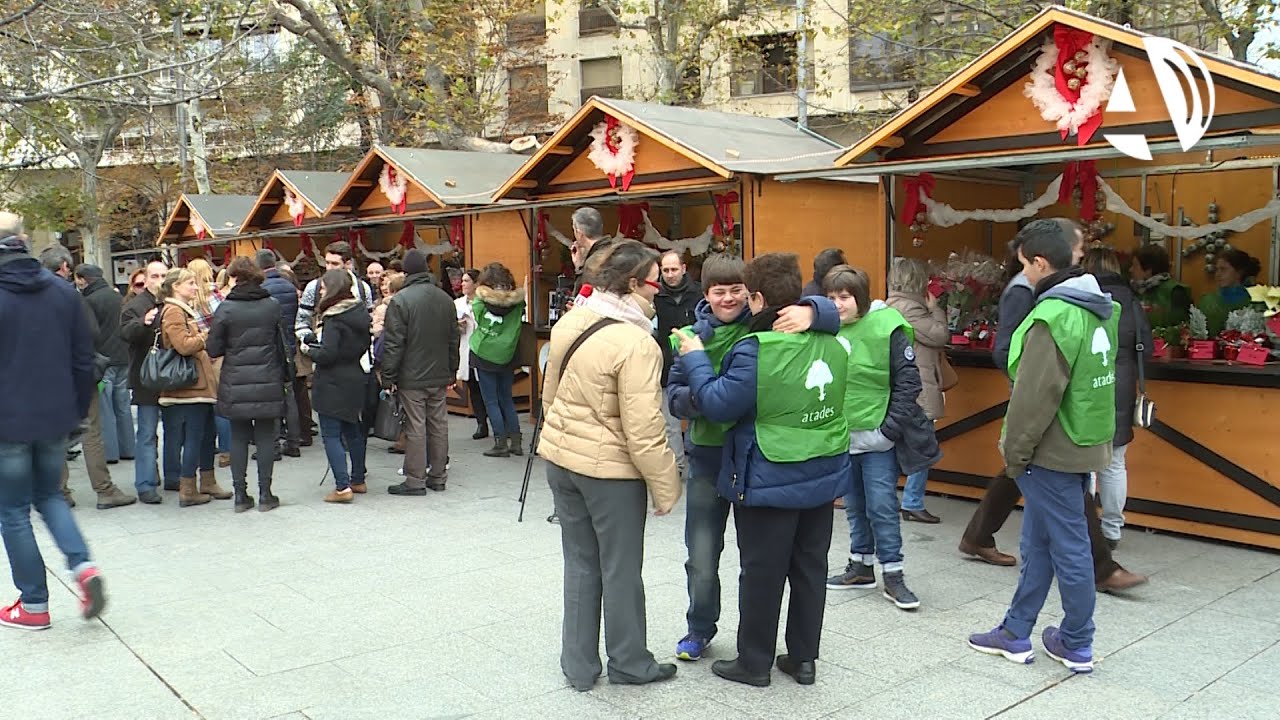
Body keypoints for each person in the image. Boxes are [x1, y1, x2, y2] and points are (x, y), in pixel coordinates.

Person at [674, 252, 850, 687]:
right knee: (810, 568)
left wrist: (696, 358)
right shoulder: (832, 340)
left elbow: (718, 404)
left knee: (762, 571)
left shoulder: (758, 347)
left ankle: (754, 663)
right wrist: (819, 311)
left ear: (756, 296)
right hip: (821, 470)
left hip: (770, 471)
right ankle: (803, 659)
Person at [958, 220, 1148, 594]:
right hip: (1041, 393)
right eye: (1078, 247)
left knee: (1032, 481)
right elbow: (1010, 345)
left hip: (1052, 402)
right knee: (1054, 492)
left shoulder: (1075, 296)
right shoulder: (1030, 292)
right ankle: (1091, 587)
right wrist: (1025, 379)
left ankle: (983, 543)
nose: (1081, 254)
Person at [968, 220, 1122, 674]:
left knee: (1069, 546)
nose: (1023, 277)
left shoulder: (1052, 316)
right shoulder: (1099, 308)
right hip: (1084, 439)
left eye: (1024, 267)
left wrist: (1014, 453)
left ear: (1039, 262)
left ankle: (1077, 640)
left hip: (1050, 450)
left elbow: (1034, 398)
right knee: (1037, 543)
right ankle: (1015, 631)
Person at [540, 240, 681, 692]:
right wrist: (666, 486)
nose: (659, 293)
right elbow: (643, 430)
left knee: (581, 564)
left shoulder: (575, 318)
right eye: (656, 283)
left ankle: (578, 667)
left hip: (562, 458)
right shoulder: (637, 343)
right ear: (635, 283)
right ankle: (629, 662)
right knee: (621, 569)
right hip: (610, 472)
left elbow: (551, 391)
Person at [0, 217, 107, 630]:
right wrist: (76, 410)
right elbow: (84, 361)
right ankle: (84, 567)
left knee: (12, 511)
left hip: (7, 421)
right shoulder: (63, 293)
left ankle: (34, 604)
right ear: (22, 242)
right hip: (54, 416)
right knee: (50, 496)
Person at [823, 265, 939, 611]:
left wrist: (887, 430)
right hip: (843, 435)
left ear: (858, 296)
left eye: (844, 297)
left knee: (882, 506)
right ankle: (861, 566)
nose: (838, 304)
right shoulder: (826, 328)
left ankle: (893, 573)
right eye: (831, 298)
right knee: (855, 505)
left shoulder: (888, 326)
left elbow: (908, 383)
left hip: (876, 436)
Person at [41, 248, 134, 510]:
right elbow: (91, 331)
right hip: (76, 371)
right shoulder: (69, 295)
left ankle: (60, 492)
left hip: (47, 375)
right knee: (91, 430)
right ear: (63, 266)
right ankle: (104, 490)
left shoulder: (30, 295)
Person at [207, 257, 288, 513]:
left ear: (234, 277)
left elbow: (214, 348)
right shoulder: (271, 305)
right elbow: (281, 343)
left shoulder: (226, 308)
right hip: (267, 378)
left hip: (235, 380)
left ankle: (240, 495)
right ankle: (266, 494)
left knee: (239, 437)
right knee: (265, 436)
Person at [1083, 248, 1151, 550]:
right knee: (1115, 462)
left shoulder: (1083, 299)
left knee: (1084, 461)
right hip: (1121, 386)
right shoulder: (1132, 302)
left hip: (1088, 384)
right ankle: (1111, 530)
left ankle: (1085, 525)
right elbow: (1145, 348)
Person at [380, 249, 459, 495]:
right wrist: (452, 371)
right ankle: (438, 475)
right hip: (439, 373)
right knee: (439, 424)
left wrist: (388, 377)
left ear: (405, 272)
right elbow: (453, 339)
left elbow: (394, 344)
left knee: (415, 426)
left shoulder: (400, 300)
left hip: (411, 376)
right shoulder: (445, 299)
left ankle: (415, 480)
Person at [157, 267, 231, 507]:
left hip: (198, 386)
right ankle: (187, 488)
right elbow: (183, 346)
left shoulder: (184, 310)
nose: (195, 287)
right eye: (190, 283)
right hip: (188, 388)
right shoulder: (173, 312)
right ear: (175, 286)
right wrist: (205, 336)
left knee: (207, 434)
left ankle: (207, 481)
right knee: (194, 436)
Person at [885, 257, 949, 524]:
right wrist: (936, 310)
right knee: (922, 443)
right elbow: (938, 335)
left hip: (898, 386)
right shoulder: (911, 309)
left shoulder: (888, 307)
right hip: (919, 387)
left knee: (895, 444)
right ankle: (913, 501)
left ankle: (890, 499)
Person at [303, 270, 372, 504]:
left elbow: (329, 354)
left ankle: (342, 487)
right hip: (354, 375)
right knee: (353, 431)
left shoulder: (333, 317)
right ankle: (358, 479)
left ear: (332, 289)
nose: (320, 292)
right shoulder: (360, 312)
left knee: (331, 434)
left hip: (332, 381)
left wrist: (309, 350)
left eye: (323, 288)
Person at [74, 263, 135, 466]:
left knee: (105, 408)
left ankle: (110, 453)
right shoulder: (118, 297)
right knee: (123, 406)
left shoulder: (88, 301)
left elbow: (88, 332)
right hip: (123, 358)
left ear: (83, 279)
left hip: (103, 361)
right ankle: (128, 448)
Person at [120, 260, 169, 503]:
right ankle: (146, 484)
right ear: (146, 279)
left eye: (163, 276)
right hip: (147, 377)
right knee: (148, 432)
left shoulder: (172, 301)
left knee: (172, 430)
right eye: (155, 276)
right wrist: (144, 322)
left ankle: (172, 476)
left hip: (172, 376)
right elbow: (126, 333)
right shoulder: (135, 305)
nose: (159, 280)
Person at [470, 262, 526, 458]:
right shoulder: (519, 302)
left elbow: (476, 316)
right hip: (508, 354)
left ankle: (500, 443)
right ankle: (516, 441)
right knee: (506, 398)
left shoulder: (479, 301)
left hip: (484, 353)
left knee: (491, 400)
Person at [654, 250, 699, 478]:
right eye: (665, 270)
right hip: (666, 365)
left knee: (696, 416)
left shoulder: (699, 294)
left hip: (695, 362)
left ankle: (696, 461)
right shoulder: (655, 297)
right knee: (670, 421)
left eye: (674, 269)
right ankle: (677, 466)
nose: (670, 275)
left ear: (683, 268)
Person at [258, 250, 303, 454]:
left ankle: (273, 444)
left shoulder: (261, 289)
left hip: (269, 349)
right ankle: (294, 442)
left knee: (271, 398)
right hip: (288, 346)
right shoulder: (289, 287)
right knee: (289, 395)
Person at [455, 268, 490, 440]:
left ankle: (497, 423)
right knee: (473, 388)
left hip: (483, 350)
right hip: (466, 348)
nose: (462, 284)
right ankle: (481, 423)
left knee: (487, 388)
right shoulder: (457, 304)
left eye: (466, 281)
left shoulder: (485, 302)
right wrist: (457, 326)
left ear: (476, 284)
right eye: (462, 281)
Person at [1197, 249, 1261, 336]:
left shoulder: (1257, 303)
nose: (1218, 274)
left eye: (1223, 269)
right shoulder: (1208, 301)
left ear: (1239, 272)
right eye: (1217, 269)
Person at [1130, 244, 1190, 329]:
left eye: (1135, 266)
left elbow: (1180, 329)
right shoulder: (1134, 291)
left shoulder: (1175, 292)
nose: (1131, 270)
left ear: (1148, 270)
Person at [570, 206, 613, 293]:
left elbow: (584, 295)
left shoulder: (595, 261)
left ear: (579, 233)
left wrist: (579, 268)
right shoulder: (614, 250)